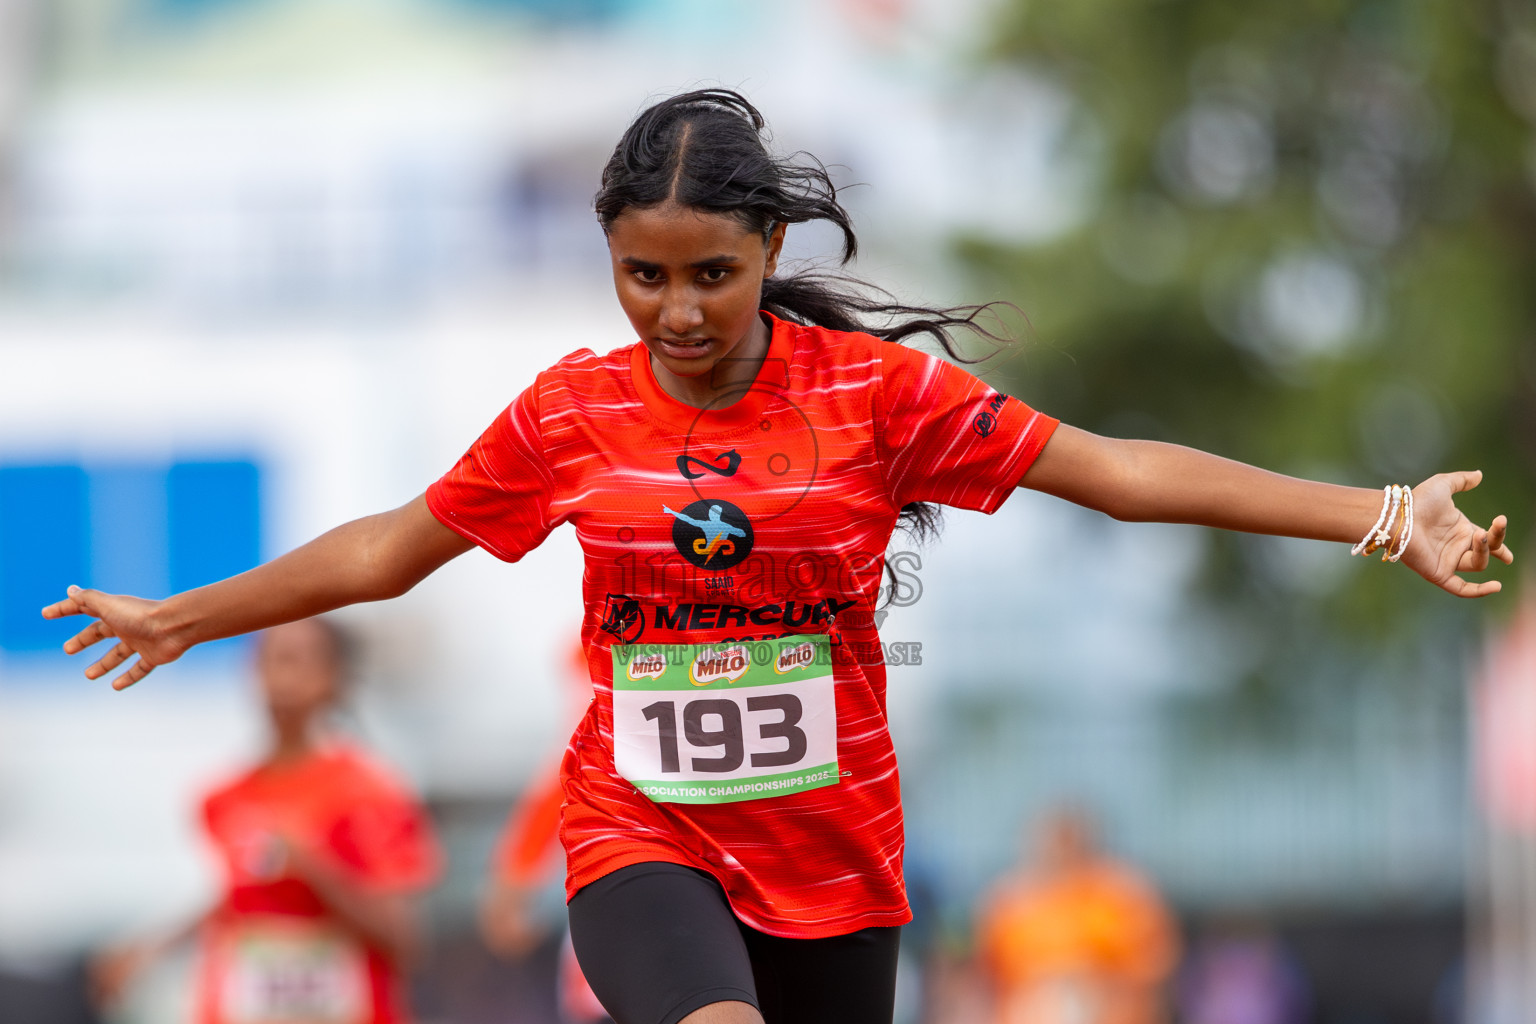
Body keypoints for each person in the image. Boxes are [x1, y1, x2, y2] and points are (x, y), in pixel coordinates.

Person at [45, 89, 1511, 1024]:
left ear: (765, 251)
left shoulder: (875, 397)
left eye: (711, 275)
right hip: (642, 834)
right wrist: (189, 613)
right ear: (611, 256)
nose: (676, 312)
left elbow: (1119, 475)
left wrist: (1380, 512)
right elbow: (391, 546)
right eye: (643, 275)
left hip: (833, 858)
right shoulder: (570, 410)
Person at [91, 618, 441, 1024]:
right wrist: (149, 950)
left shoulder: (371, 794)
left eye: (294, 660)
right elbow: (240, 901)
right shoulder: (224, 798)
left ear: (333, 678)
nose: (278, 676)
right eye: (268, 659)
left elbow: (405, 942)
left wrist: (315, 867)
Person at [975, 807, 1179, 1024]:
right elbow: (988, 978)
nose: (1061, 849)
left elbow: (1154, 969)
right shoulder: (1009, 902)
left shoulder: (1123, 895)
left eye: (1069, 838)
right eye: (1054, 840)